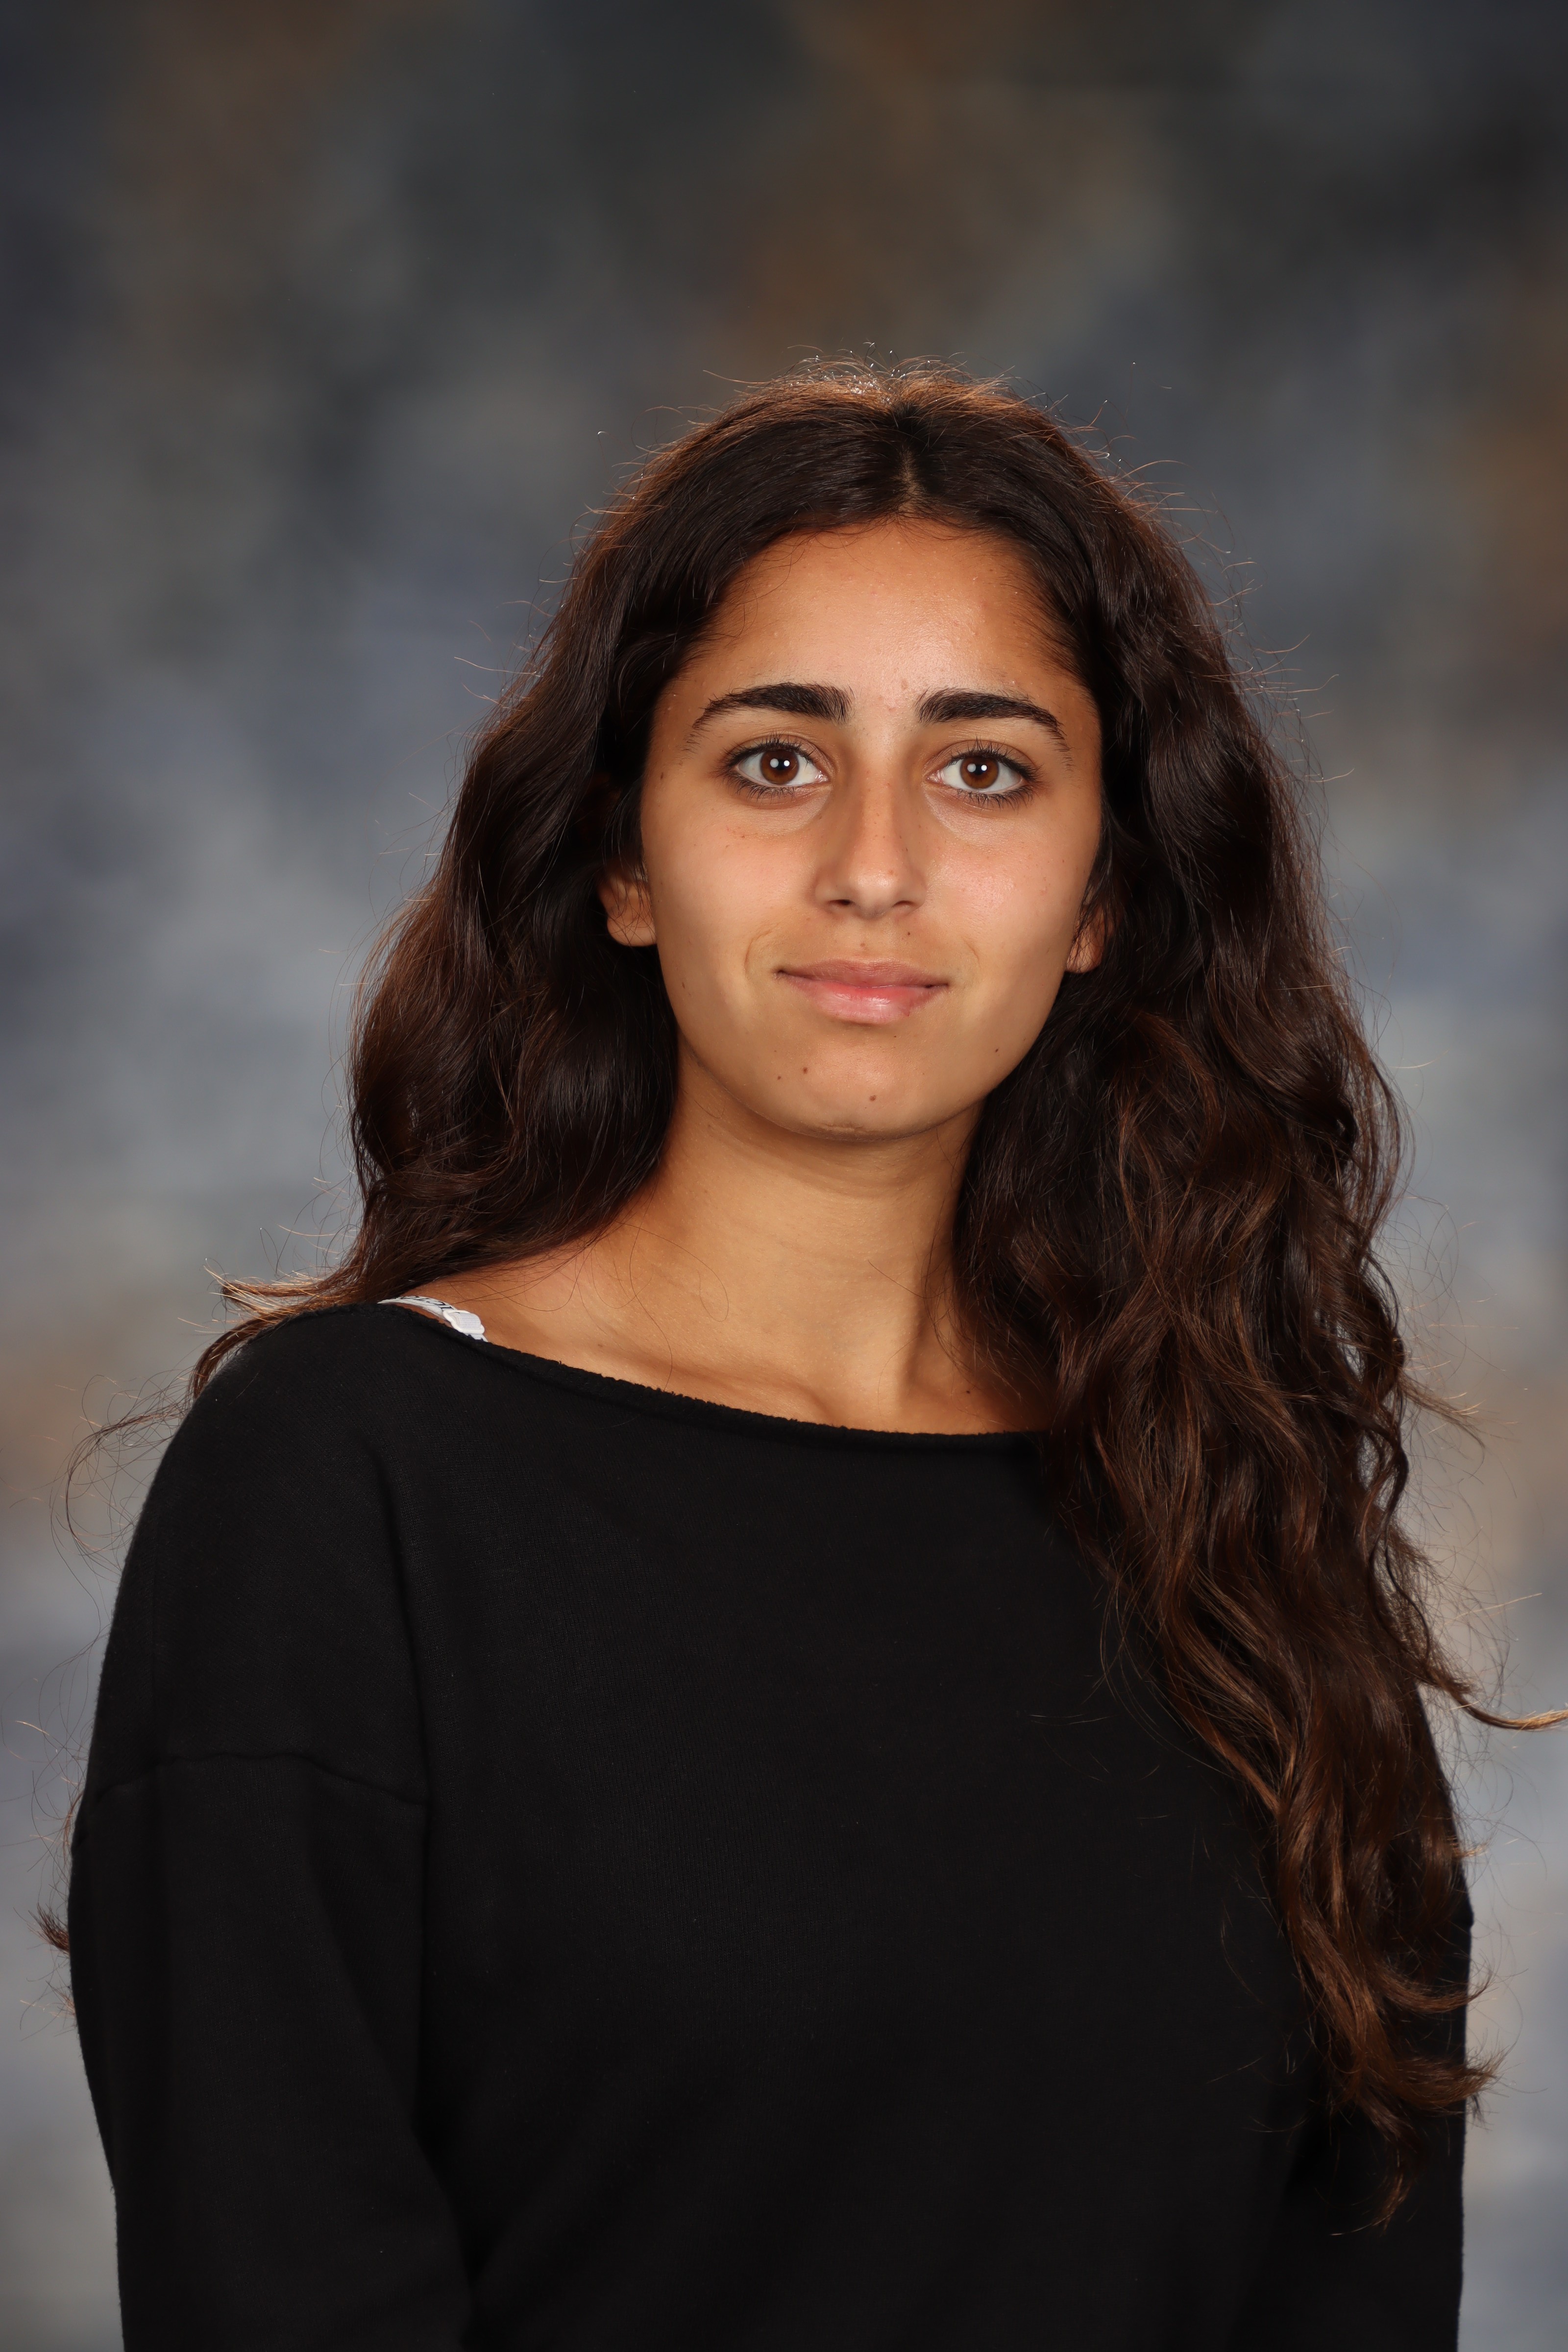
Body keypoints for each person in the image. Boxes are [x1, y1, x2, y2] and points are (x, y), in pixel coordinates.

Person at [68, 362, 1495, 2349]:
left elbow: (1354, 2280)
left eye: (983, 769)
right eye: (771, 761)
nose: (874, 864)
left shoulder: (1232, 1525)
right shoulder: (350, 1489)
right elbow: (274, 2278)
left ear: (1101, 892)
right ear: (620, 861)